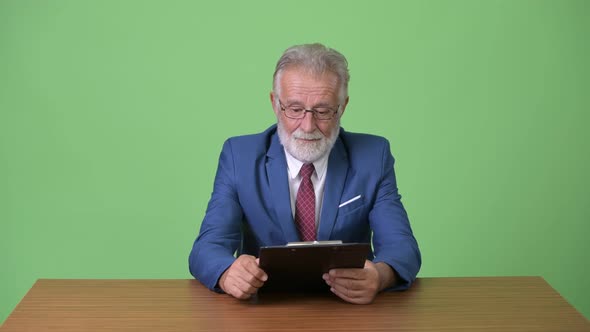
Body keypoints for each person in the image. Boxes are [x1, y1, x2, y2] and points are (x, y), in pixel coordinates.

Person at [189, 43, 421, 304]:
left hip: (348, 311)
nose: (308, 126)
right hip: (264, 310)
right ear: (275, 104)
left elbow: (402, 247)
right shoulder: (238, 156)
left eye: (323, 111)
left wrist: (380, 275)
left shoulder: (373, 156)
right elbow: (206, 247)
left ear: (342, 107)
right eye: (295, 109)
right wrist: (227, 272)